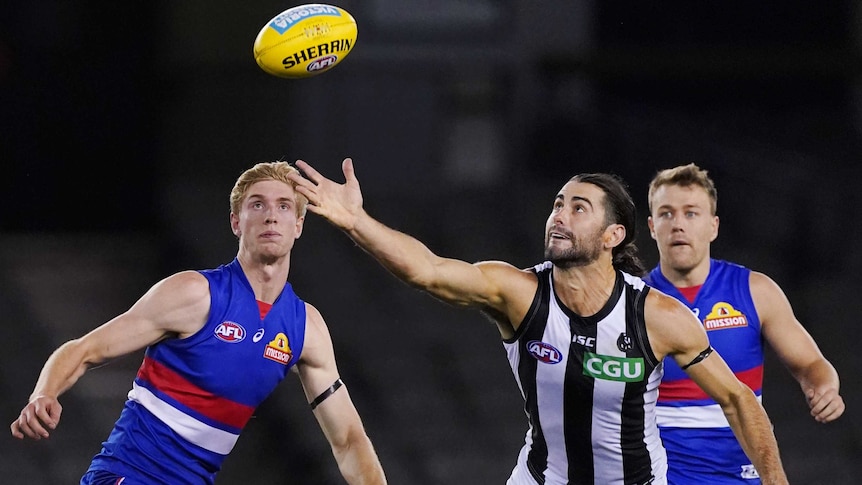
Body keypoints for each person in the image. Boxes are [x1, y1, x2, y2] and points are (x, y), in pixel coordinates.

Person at [286, 158, 788, 485]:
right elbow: (430, 271)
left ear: (613, 235)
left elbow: (738, 399)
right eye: (557, 204)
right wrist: (356, 221)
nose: (559, 215)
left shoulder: (658, 316)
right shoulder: (518, 293)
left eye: (578, 207)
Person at [10, 161, 387, 485]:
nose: (272, 214)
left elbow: (349, 439)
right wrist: (44, 393)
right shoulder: (194, 294)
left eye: (285, 206)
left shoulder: (307, 329)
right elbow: (85, 349)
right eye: (258, 204)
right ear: (236, 223)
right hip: (128, 475)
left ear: (299, 224)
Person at [644, 163, 844, 484]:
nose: (678, 224)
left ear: (714, 226)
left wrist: (822, 388)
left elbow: (810, 362)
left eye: (691, 213)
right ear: (652, 226)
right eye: (667, 214)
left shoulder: (756, 291)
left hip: (739, 473)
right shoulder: (633, 302)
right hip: (658, 474)